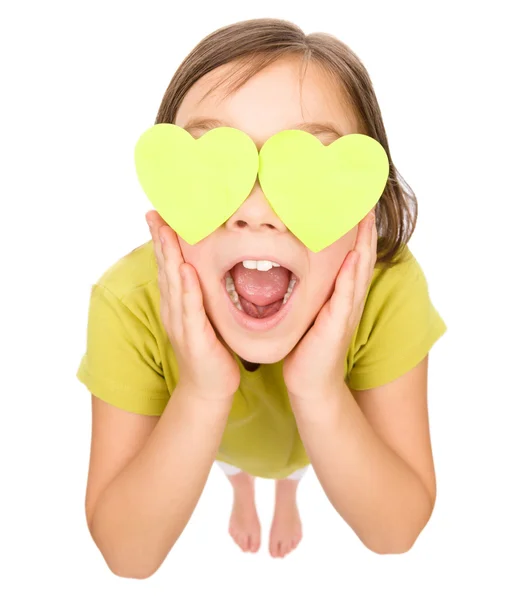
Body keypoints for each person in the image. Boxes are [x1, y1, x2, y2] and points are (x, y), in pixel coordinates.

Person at [77, 17, 447, 578]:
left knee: (290, 465)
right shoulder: (127, 302)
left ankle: (287, 493)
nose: (255, 210)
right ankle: (244, 489)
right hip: (220, 443)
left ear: (363, 209)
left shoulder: (388, 290)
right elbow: (127, 557)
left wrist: (318, 389)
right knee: (235, 461)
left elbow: (396, 533)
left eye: (305, 170)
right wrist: (202, 393)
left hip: (310, 447)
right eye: (216, 167)